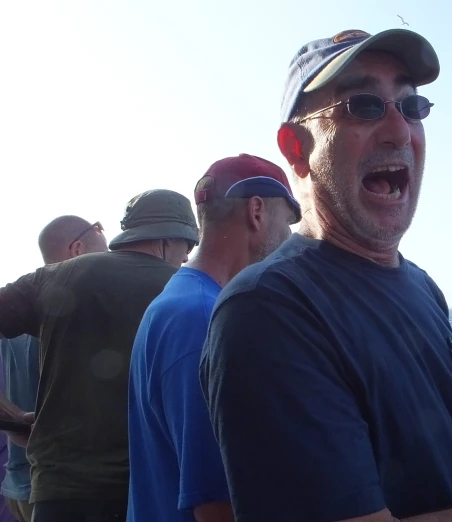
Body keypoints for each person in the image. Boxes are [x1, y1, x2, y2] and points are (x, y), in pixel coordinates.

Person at [199, 28, 452, 522]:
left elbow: (433, 432)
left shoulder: (421, 287)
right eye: (363, 106)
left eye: (411, 107)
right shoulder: (267, 312)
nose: (398, 130)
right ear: (297, 148)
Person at [0, 189, 199, 522]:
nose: (187, 257)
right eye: (187, 246)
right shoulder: (190, 290)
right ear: (168, 239)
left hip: (60, 491)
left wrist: (10, 416)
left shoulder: (54, 276)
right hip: (156, 491)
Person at [126, 154, 301, 522]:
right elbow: (217, 501)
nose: (288, 241)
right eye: (287, 223)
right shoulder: (205, 318)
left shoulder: (176, 301)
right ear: (257, 212)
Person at [0, 216, 108, 522]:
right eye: (101, 235)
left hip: (17, 486)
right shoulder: (66, 314)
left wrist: (13, 418)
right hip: (59, 494)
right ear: (77, 249)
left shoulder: (17, 307)